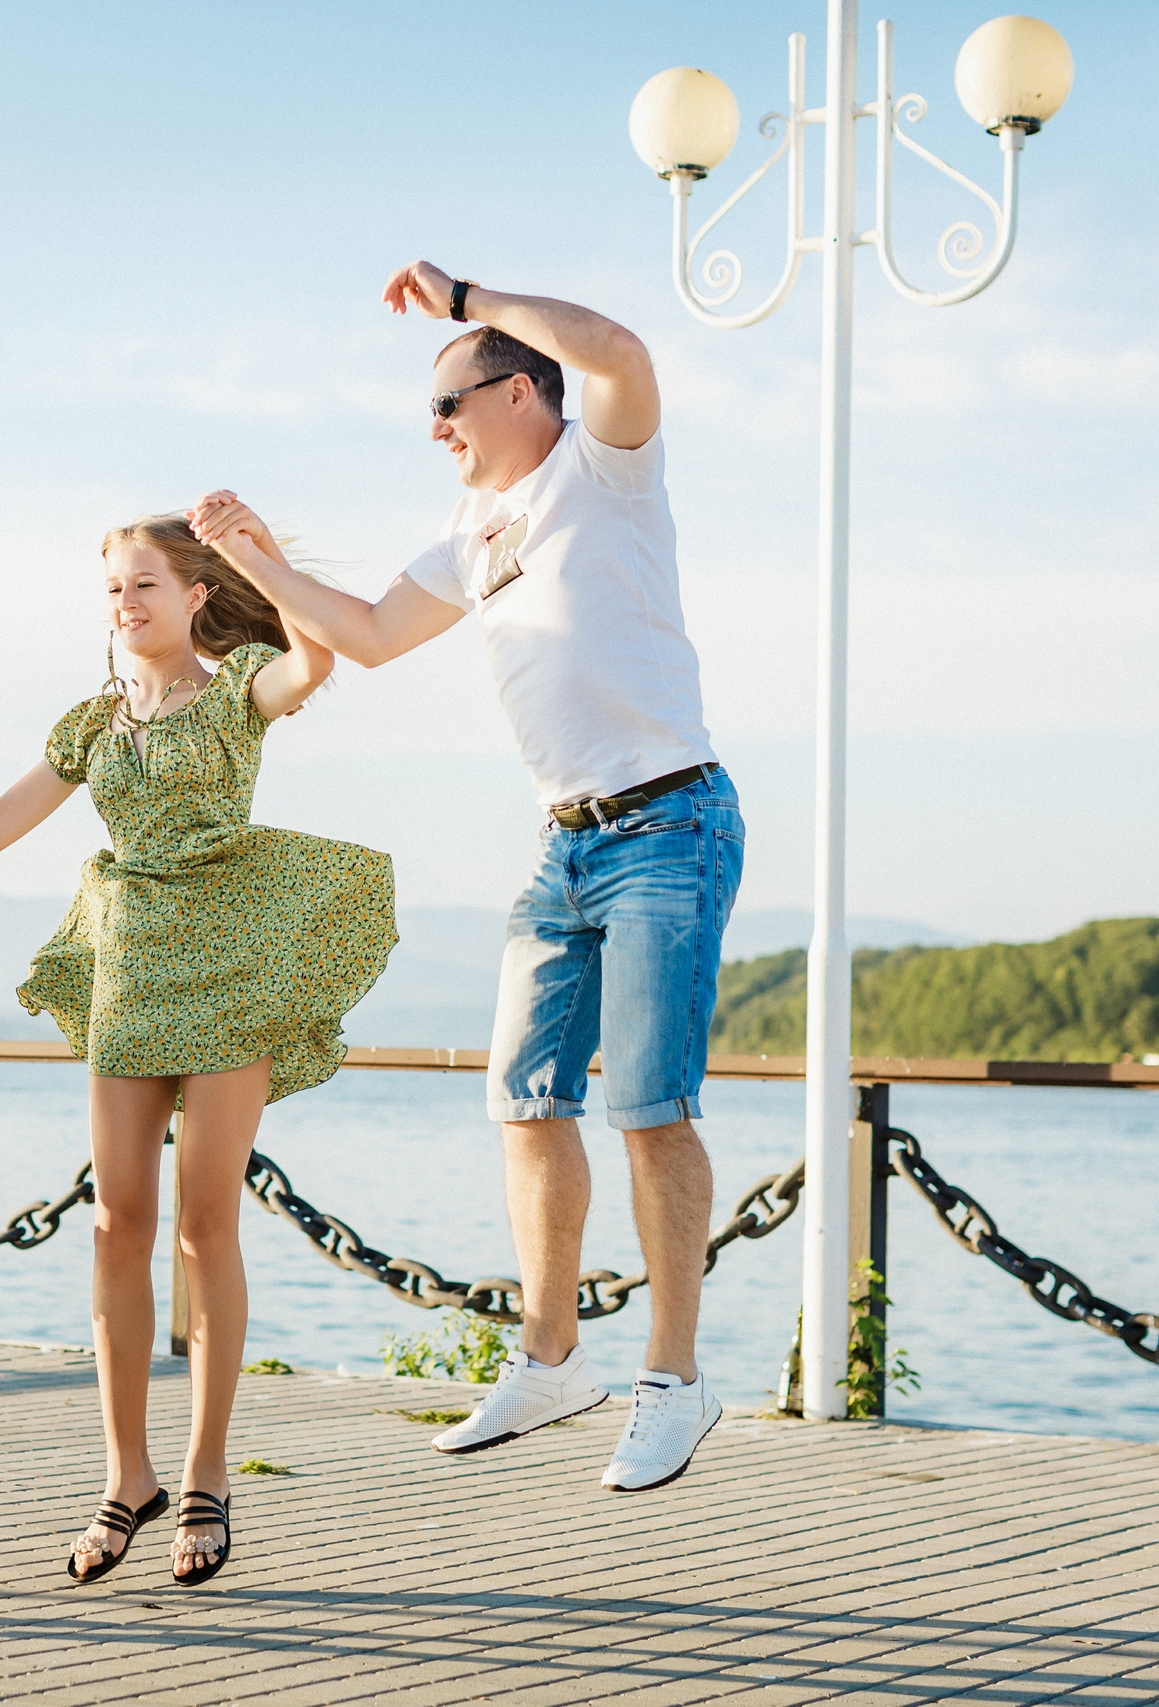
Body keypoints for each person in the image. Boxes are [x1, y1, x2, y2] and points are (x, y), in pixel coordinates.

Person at [187, 260, 744, 1494]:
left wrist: (467, 298)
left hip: (670, 822)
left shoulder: (603, 466)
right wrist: (256, 557)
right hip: (565, 841)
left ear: (520, 393)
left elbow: (618, 344)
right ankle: (553, 1361)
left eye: (449, 403)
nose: (432, 430)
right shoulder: (467, 532)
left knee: (648, 1107)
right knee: (524, 1094)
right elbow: (371, 637)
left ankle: (674, 1378)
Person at [0, 512, 395, 1586]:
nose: (124, 602)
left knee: (204, 1223)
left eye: (144, 583)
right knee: (115, 1226)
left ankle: (206, 1474)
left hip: (230, 962)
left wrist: (260, 558)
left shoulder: (240, 684)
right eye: (113, 588)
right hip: (129, 972)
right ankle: (126, 1475)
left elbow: (317, 660)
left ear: (196, 594)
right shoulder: (91, 723)